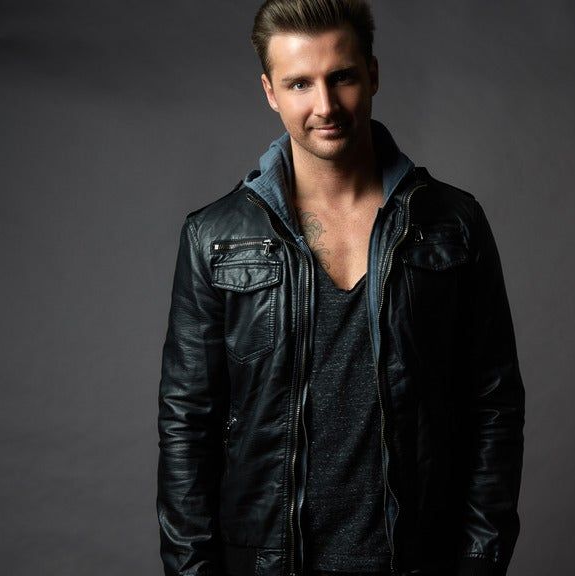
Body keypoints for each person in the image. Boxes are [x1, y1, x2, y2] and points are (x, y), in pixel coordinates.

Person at [156, 1, 525, 575]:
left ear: (372, 74)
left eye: (342, 77)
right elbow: (187, 425)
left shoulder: (452, 222)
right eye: (299, 83)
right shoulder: (215, 236)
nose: (325, 106)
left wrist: (479, 561)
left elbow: (494, 404)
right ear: (270, 92)